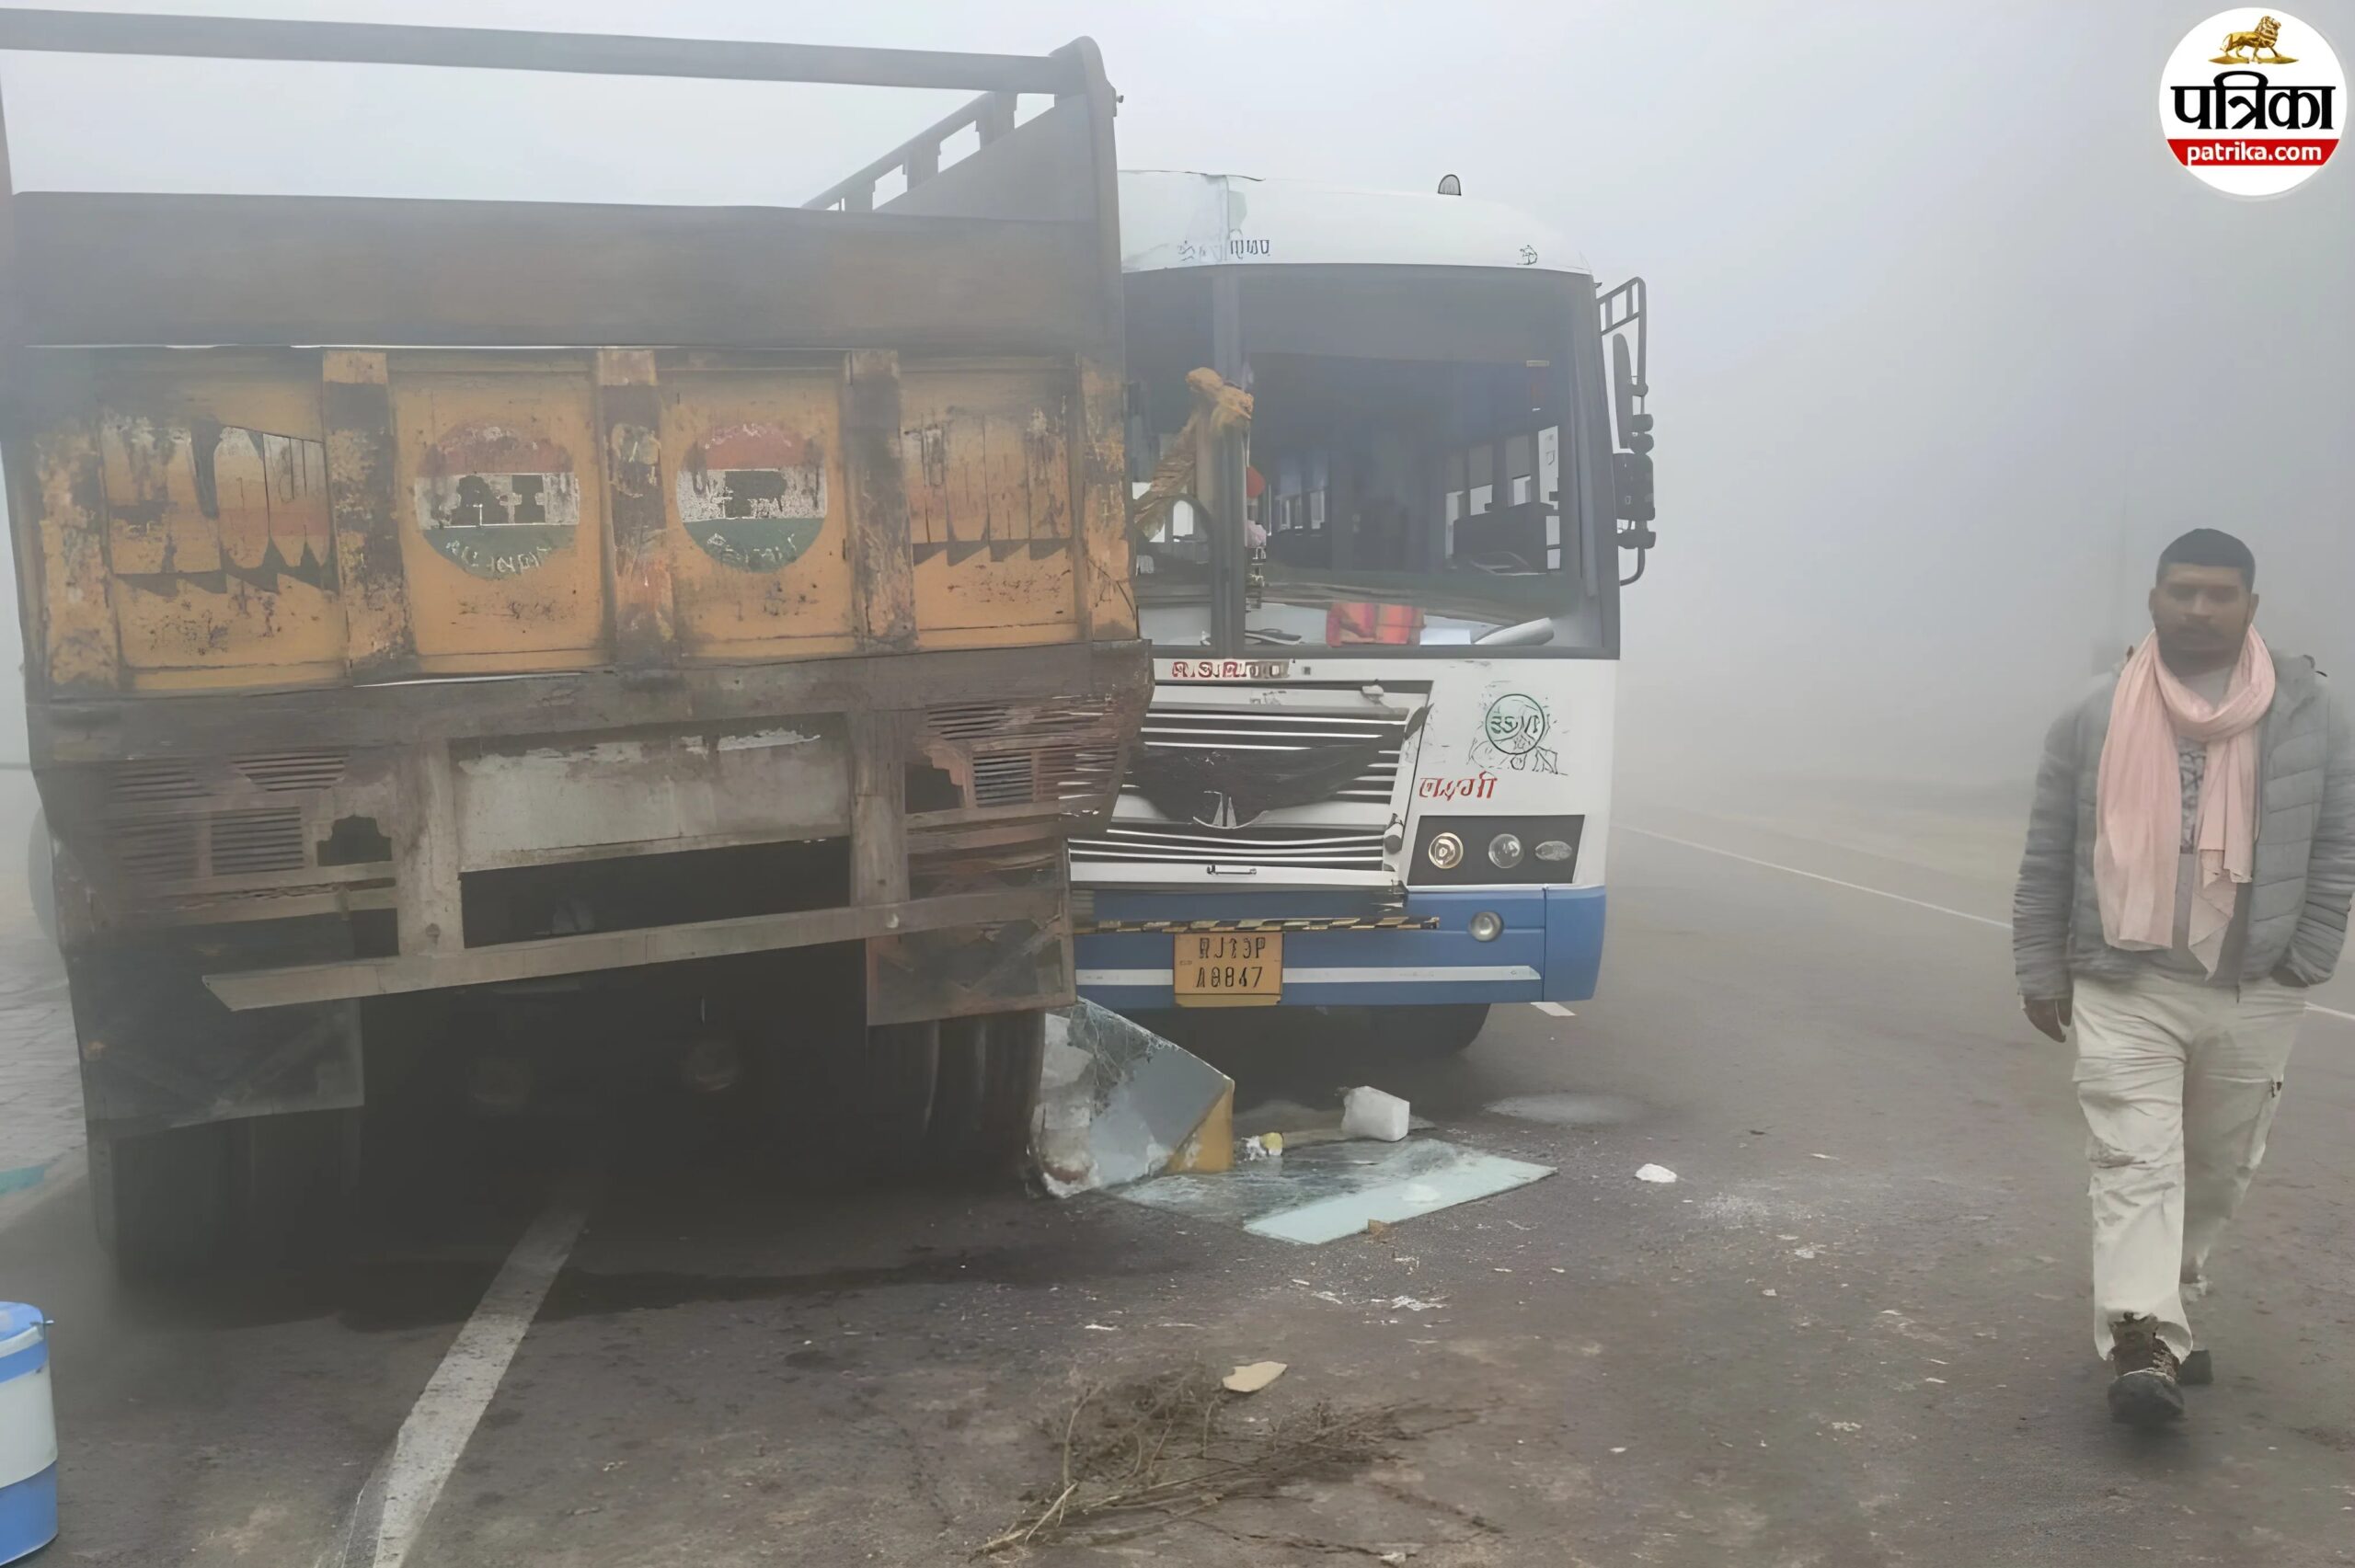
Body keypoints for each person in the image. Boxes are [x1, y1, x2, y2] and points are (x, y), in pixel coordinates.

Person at [2014, 528, 2355, 1426]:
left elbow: (2336, 844)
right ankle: (2142, 1341)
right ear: (2153, 601)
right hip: (2124, 978)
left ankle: (2171, 1297)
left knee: (2215, 1168)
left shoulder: (2313, 711)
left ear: (2251, 605)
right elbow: (2050, 846)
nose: (2199, 609)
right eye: (2181, 592)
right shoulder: (2094, 711)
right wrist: (2037, 961)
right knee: (2135, 1158)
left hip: (2254, 982)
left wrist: (2305, 955)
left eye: (2218, 594)